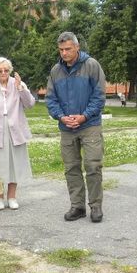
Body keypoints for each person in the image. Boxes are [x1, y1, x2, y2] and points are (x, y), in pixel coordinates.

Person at [46, 32, 106, 223]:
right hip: (67, 128)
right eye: (61, 50)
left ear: (77, 48)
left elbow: (99, 96)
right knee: (71, 168)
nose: (64, 53)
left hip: (89, 125)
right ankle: (77, 206)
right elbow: (51, 99)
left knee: (93, 166)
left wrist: (84, 116)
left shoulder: (92, 66)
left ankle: (95, 206)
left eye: (68, 49)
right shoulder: (56, 71)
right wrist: (62, 117)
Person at [0, 57, 35, 210]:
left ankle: (12, 197)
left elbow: (30, 104)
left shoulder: (17, 84)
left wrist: (21, 88)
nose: (3, 73)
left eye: (6, 70)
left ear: (10, 70)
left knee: (14, 164)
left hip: (15, 128)